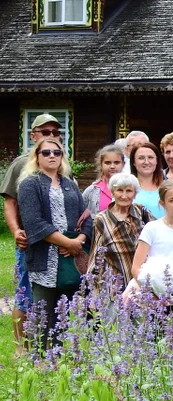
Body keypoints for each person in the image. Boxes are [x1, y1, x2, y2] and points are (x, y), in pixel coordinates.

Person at [16, 137, 92, 347]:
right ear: (37, 157)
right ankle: (38, 360)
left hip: (69, 260)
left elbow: (86, 216)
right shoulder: (29, 184)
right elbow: (34, 223)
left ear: (62, 157)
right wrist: (67, 242)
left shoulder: (69, 183)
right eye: (46, 152)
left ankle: (57, 358)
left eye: (56, 153)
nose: (52, 156)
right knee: (41, 315)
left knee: (62, 315)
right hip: (43, 259)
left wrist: (79, 240)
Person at [2, 113, 63, 352]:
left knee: (50, 293)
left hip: (57, 242)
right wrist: (16, 230)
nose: (50, 137)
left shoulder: (60, 161)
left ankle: (48, 345)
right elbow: (10, 203)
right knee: (25, 292)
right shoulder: (21, 164)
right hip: (30, 241)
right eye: (45, 132)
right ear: (33, 135)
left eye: (55, 132)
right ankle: (21, 347)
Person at [128, 180, 173, 308]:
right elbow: (136, 267)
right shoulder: (152, 228)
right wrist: (152, 297)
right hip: (152, 295)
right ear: (163, 203)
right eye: (172, 200)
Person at [89, 172, 154, 291]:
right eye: (119, 190)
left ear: (135, 194)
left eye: (129, 191)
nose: (124, 196)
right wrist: (93, 289)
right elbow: (96, 254)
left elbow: (159, 235)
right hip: (114, 286)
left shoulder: (141, 212)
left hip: (140, 285)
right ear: (112, 192)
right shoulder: (102, 219)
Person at [82, 144, 125, 215]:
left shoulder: (131, 188)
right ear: (101, 165)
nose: (112, 166)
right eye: (107, 163)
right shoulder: (91, 191)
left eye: (116, 162)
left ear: (123, 164)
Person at [129, 141, 165, 219]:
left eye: (150, 157)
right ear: (134, 162)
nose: (146, 162)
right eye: (141, 158)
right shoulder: (126, 187)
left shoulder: (167, 187)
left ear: (157, 161)